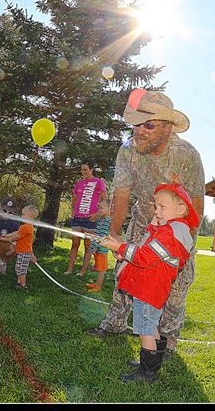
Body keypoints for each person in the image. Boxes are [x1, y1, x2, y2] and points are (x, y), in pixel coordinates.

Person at [86, 87, 205, 361]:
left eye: (148, 125)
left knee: (176, 282)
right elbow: (122, 195)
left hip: (178, 227)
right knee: (125, 269)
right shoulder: (127, 151)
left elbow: (196, 207)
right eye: (136, 124)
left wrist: (176, 244)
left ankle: (167, 340)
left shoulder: (186, 155)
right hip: (143, 220)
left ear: (167, 127)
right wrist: (114, 235)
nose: (139, 131)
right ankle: (114, 324)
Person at [99, 183, 199, 382]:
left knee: (145, 329)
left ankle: (146, 374)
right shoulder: (170, 231)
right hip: (150, 288)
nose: (157, 211)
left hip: (148, 289)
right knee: (150, 326)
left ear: (180, 210)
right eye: (156, 207)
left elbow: (144, 256)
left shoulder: (170, 235)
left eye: (162, 207)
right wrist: (126, 253)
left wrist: (120, 246)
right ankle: (151, 363)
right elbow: (149, 247)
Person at [64, 160, 108, 276]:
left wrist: (97, 214)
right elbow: (74, 198)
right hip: (77, 218)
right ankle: (69, 270)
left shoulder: (98, 182)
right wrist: (72, 210)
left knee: (88, 245)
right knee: (74, 244)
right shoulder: (79, 183)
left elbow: (105, 200)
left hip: (90, 219)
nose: (82, 172)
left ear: (92, 169)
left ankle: (82, 271)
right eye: (81, 170)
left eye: (85, 170)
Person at [8, 205, 40, 290]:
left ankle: (23, 285)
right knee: (19, 267)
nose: (22, 216)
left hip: (24, 252)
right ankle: (19, 282)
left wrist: (9, 239)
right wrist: (7, 236)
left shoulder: (26, 227)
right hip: (22, 251)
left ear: (30, 217)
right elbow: (17, 233)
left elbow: (17, 236)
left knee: (22, 269)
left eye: (24, 215)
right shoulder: (25, 226)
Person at [84, 197, 113, 293]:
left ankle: (98, 287)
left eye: (102, 208)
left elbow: (101, 236)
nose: (99, 210)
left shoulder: (107, 221)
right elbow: (97, 232)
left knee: (101, 270)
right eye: (99, 207)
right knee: (98, 267)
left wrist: (95, 246)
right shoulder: (103, 220)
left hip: (101, 249)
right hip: (97, 249)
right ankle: (96, 284)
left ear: (110, 209)